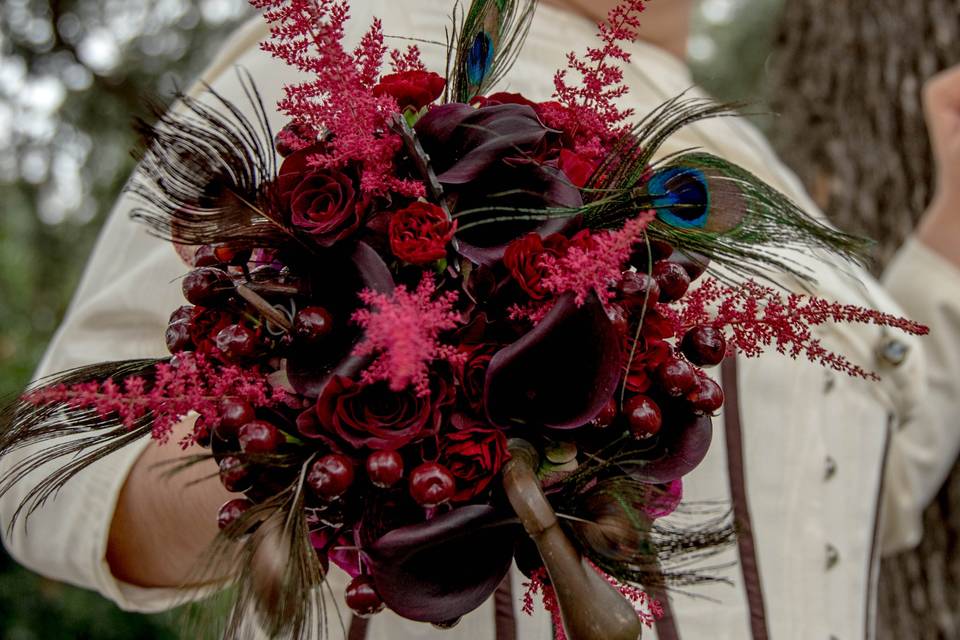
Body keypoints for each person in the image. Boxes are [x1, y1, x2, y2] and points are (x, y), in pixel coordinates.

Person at [2, 1, 959, 638]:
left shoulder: (749, 155)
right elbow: (48, 473)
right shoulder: (374, 35)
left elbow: (881, 483)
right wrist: (326, 439)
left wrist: (952, 224)